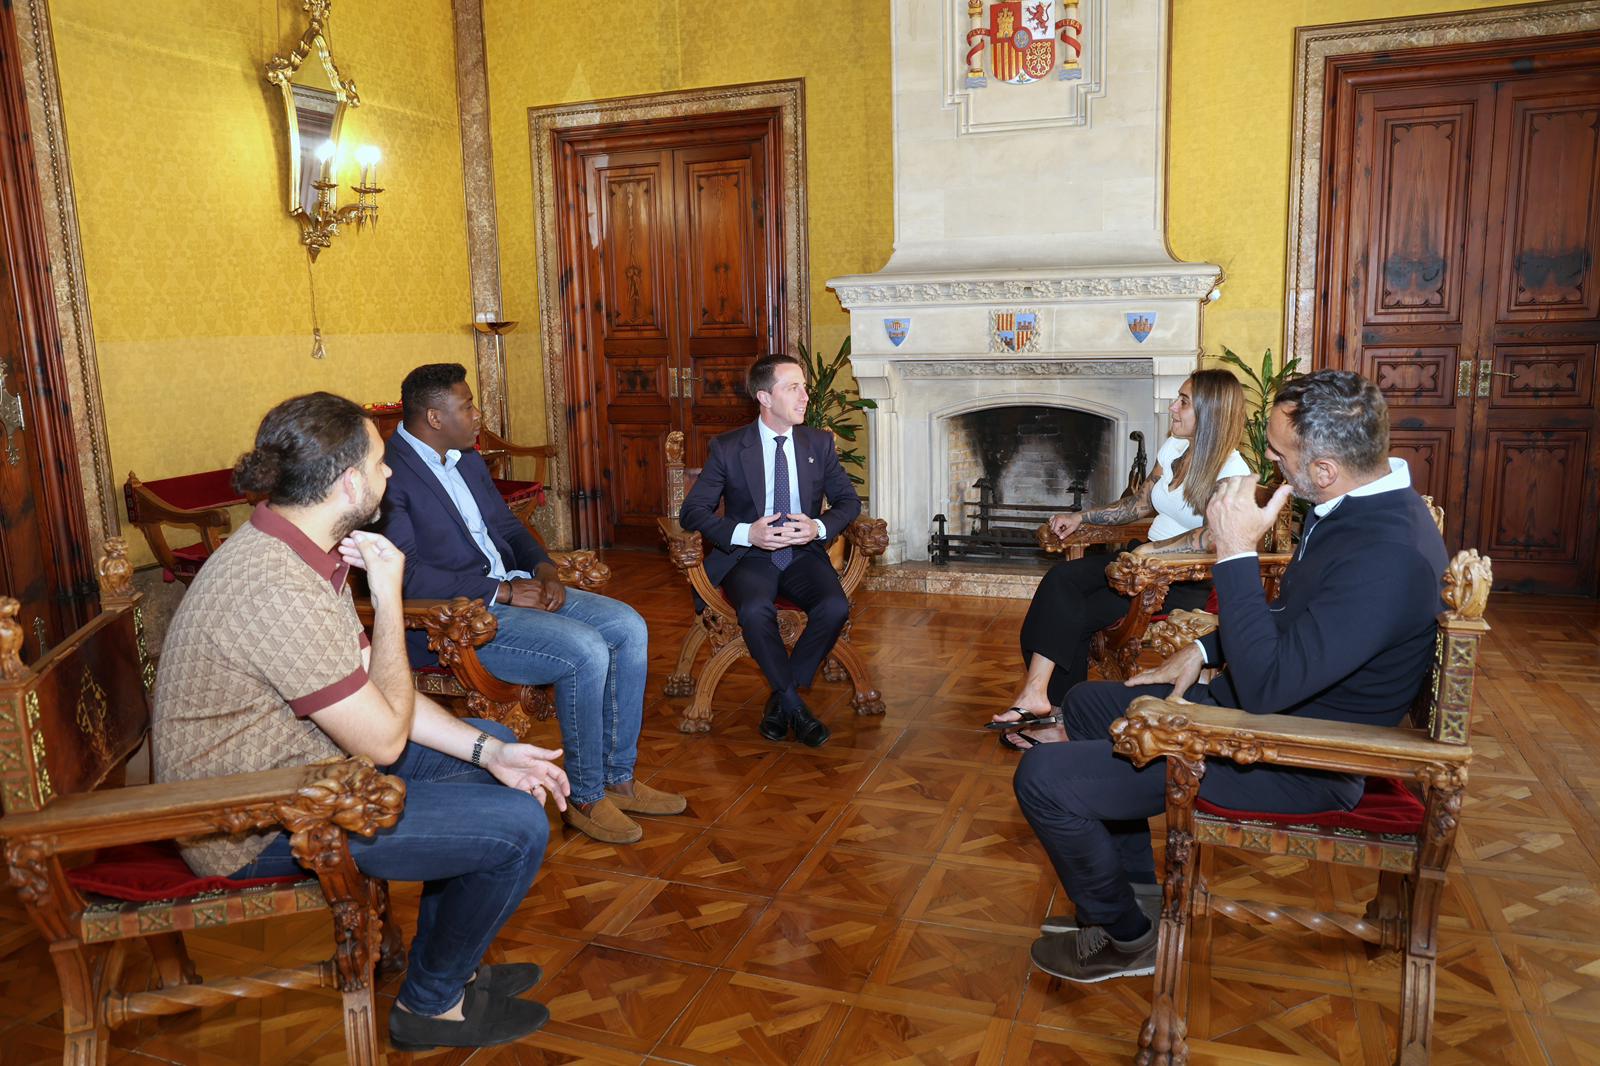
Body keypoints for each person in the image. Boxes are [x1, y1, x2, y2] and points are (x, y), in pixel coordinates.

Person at [153, 392, 569, 1052]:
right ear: (348, 481)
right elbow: (382, 737)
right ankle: (430, 1008)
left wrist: (489, 752)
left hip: (305, 769)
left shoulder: (298, 547)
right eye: (380, 461)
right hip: (248, 820)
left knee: (497, 752)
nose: (390, 472)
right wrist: (388, 595)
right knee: (517, 828)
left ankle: (446, 968)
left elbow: (371, 687)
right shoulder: (277, 586)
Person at [1012, 368, 1449, 984]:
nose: (1269, 462)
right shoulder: (1357, 509)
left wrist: (1236, 551)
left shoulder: (1388, 555)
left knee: (1041, 777)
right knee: (1085, 703)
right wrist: (1204, 647)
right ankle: (1136, 896)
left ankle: (1125, 938)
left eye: (1278, 452)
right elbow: (1299, 619)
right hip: (1269, 709)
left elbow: (1270, 687)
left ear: (1325, 468)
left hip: (1296, 757)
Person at [377, 363, 684, 846]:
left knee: (627, 625)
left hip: (516, 589)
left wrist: (543, 569)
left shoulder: (465, 458)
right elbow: (405, 574)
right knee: (585, 649)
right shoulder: (389, 474)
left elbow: (508, 527)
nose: (477, 415)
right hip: (457, 620)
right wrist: (499, 592)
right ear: (434, 418)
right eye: (467, 406)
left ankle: (617, 779)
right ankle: (584, 797)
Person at [993, 369, 1250, 750]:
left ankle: (1062, 721)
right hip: (1138, 564)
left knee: (1078, 612)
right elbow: (1139, 504)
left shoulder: (1233, 473)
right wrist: (1083, 517)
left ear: (1211, 413)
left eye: (1183, 402)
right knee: (1060, 580)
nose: (1172, 407)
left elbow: (1212, 538)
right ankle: (1038, 696)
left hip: (1181, 581)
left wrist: (1153, 553)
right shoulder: (1175, 448)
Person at [679, 353, 862, 747]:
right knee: (754, 609)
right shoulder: (729, 448)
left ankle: (782, 701)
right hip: (749, 556)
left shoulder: (818, 443)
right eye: (793, 387)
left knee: (835, 607)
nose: (805, 396)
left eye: (804, 387)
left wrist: (817, 527)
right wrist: (747, 533)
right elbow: (692, 511)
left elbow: (849, 502)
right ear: (764, 397)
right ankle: (794, 705)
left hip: (802, 552)